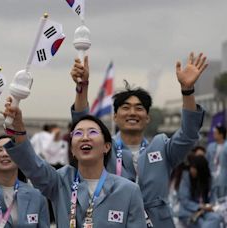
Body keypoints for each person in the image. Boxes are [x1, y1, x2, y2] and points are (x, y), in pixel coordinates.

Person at [70, 53, 207, 227]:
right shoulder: (104, 149)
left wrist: (187, 91)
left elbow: (189, 134)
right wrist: (82, 86)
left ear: (148, 117)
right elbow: (82, 124)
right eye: (125, 108)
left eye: (139, 108)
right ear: (115, 117)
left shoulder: (162, 147)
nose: (132, 113)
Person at [2, 100, 146, 227]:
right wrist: (19, 129)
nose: (84, 137)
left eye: (92, 132)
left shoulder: (128, 190)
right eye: (78, 134)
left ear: (106, 147)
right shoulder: (60, 182)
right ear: (72, 150)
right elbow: (33, 166)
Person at [178, 155, 224, 227]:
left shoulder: (209, 179)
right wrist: (200, 206)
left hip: (204, 211)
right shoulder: (186, 178)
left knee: (217, 218)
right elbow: (184, 201)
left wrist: (211, 205)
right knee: (202, 224)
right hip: (188, 212)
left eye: (194, 168)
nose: (191, 170)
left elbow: (212, 197)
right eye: (191, 167)